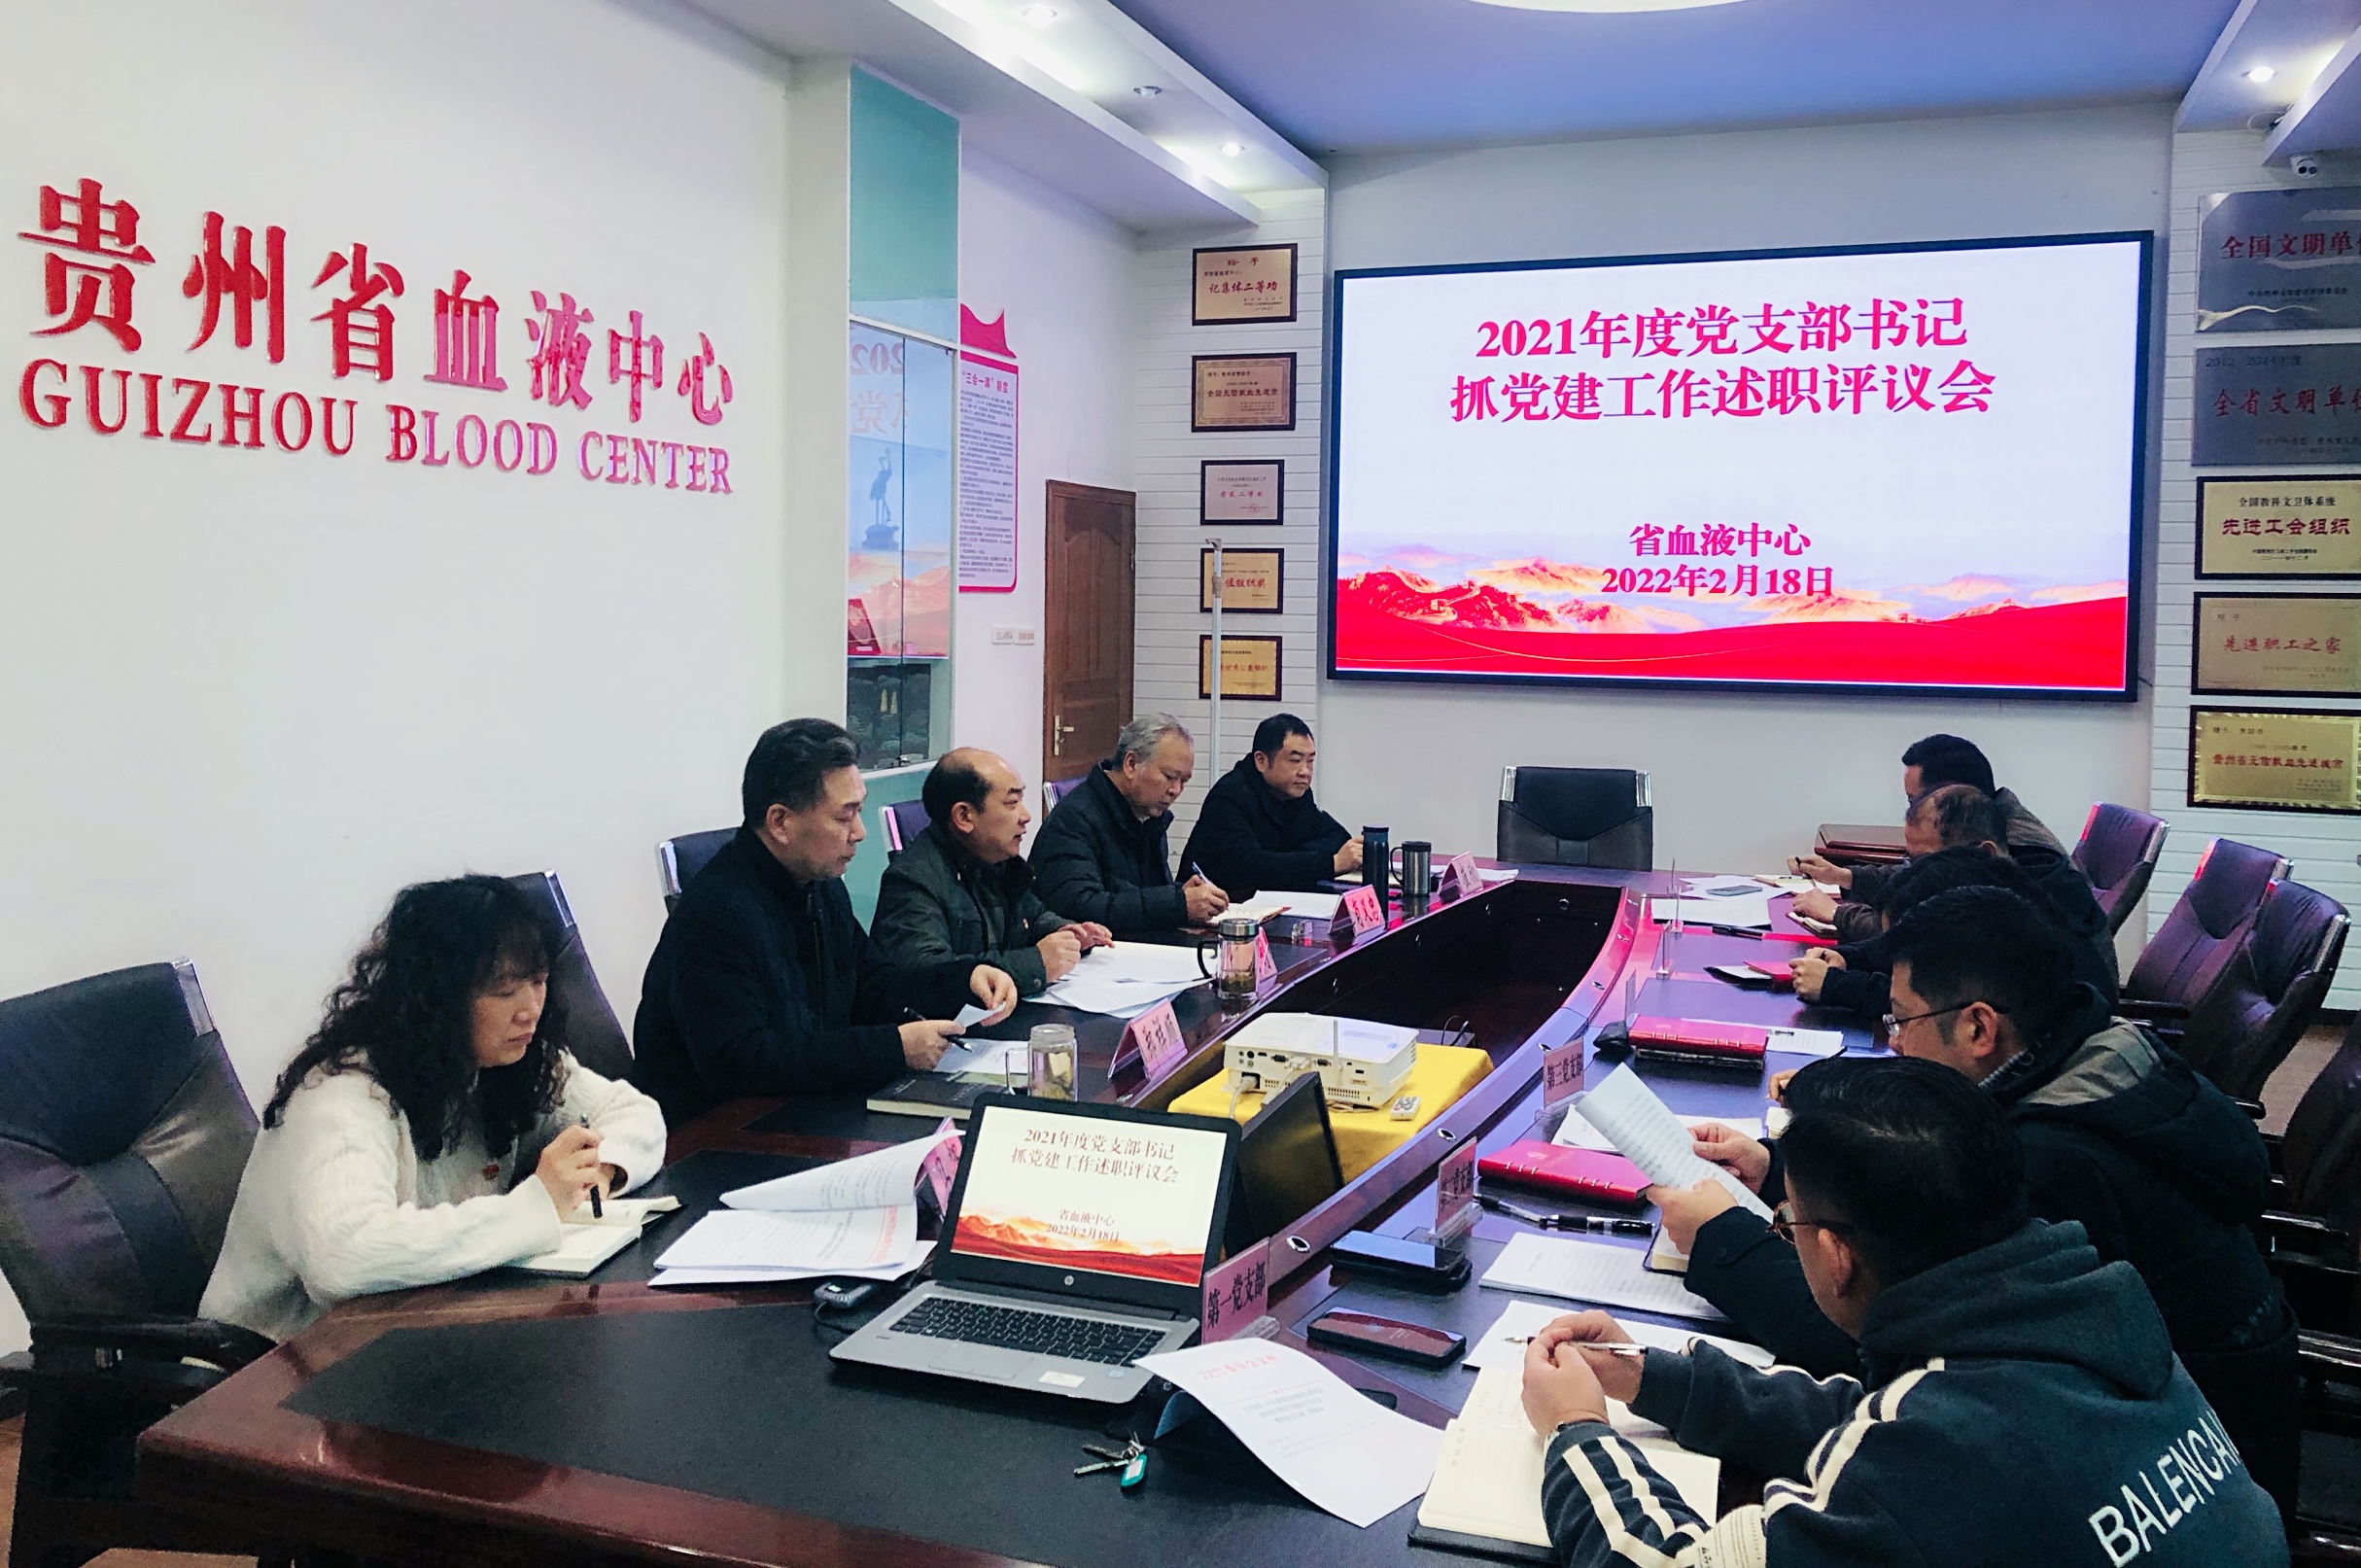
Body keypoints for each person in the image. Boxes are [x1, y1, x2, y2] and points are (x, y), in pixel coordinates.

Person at [1660, 887, 2302, 1519]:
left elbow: (1876, 1346)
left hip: (2144, 1496)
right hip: (2179, 1442)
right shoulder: (2107, 1060)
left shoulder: (2045, 1166)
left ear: (1977, 1026)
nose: (1893, 1044)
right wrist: (1785, 1173)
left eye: (1900, 1020)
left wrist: (1724, 1240)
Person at [1519, 1057, 2286, 1568]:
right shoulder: (2096, 1314)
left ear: (1835, 1254)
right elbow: (1897, 1420)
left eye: (1786, 1222)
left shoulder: (1933, 1465)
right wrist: (1658, 1379)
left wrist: (1575, 1428)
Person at [200, 877, 668, 1342]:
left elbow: (634, 1111)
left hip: (418, 1328)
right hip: (278, 1360)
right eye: (503, 991)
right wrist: (537, 1204)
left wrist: (599, 1170)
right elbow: (342, 1257)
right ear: (437, 997)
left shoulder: (514, 1061)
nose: (530, 1009)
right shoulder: (344, 1094)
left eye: (538, 981)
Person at [631, 719, 1019, 1124]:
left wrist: (963, 981)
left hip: (804, 1110)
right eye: (844, 816)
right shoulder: (716, 912)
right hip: (716, 1135)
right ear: (780, 822)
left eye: (860, 811)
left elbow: (873, 986)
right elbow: (742, 1062)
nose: (860, 832)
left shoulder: (820, 886)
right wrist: (892, 1048)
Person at [1791, 790, 2117, 1014]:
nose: (1915, 871)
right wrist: (1848, 957)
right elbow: (1917, 942)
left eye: (1924, 859)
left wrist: (1836, 986)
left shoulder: (2016, 916)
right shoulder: (1998, 886)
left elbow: (1934, 998)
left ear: (1983, 853)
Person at [872, 748, 1113, 995]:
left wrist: (1063, 931)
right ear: (964, 816)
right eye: (1012, 803)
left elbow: (1030, 917)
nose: (1026, 816)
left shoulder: (998, 860)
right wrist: (1037, 963)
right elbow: (929, 974)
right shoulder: (912, 881)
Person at [1792, 733, 2066, 923]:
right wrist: (1844, 876)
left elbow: (1929, 933)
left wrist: (1837, 915)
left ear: (1950, 794)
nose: (1914, 810)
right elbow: (1916, 877)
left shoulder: (2023, 854)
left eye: (1914, 800)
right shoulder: (1982, 821)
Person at [1032, 713, 1230, 937]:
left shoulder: (1149, 816)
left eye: (1184, 780)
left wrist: (1181, 895)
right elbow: (1081, 907)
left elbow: (1142, 894)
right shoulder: (1074, 820)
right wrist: (1175, 903)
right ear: (1131, 764)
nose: (1176, 790)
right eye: (1169, 776)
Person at [1177, 713, 1360, 900]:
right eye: (1295, 760)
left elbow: (1337, 837)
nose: (1305, 771)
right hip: (1216, 907)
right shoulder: (1228, 797)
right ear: (1261, 761)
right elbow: (1252, 868)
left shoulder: (1296, 794)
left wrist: (1285, 860)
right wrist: (1330, 864)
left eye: (1310, 761)